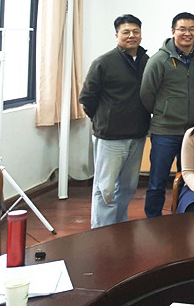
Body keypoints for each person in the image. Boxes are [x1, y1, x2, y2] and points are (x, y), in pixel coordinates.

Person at [80, 14, 150, 228]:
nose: (131, 36)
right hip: (110, 137)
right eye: (126, 32)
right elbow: (87, 98)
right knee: (106, 189)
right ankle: (101, 231)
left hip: (137, 135)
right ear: (117, 35)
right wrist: (104, 119)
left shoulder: (146, 61)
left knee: (128, 187)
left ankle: (119, 227)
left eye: (135, 31)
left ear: (141, 34)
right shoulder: (104, 62)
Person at [140, 12, 194, 217]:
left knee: (189, 179)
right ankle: (153, 220)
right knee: (158, 180)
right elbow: (146, 93)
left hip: (193, 132)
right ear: (173, 31)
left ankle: (182, 218)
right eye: (182, 29)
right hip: (164, 131)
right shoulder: (159, 60)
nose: (187, 33)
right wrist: (163, 112)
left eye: (192, 29)